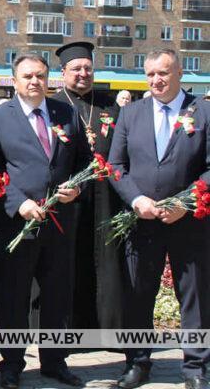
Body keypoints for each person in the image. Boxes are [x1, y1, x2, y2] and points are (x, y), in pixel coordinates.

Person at [0, 52, 89, 389]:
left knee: (57, 295)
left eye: (40, 75)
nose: (34, 81)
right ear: (14, 81)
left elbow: (83, 161)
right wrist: (18, 202)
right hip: (18, 223)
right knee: (14, 297)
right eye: (27, 76)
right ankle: (11, 364)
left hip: (59, 222)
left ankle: (54, 362)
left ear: (48, 78)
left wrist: (77, 188)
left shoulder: (65, 113)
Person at [108, 49, 210, 389]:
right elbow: (116, 167)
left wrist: (187, 202)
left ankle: (196, 368)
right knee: (138, 294)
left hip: (189, 222)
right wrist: (136, 200)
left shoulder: (204, 111)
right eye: (150, 74)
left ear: (180, 73)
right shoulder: (131, 114)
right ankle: (137, 363)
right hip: (142, 223)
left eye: (163, 73)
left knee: (194, 295)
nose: (156, 80)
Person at [51, 42, 123, 332]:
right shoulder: (53, 105)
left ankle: (105, 328)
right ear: (63, 71)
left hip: (107, 197)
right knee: (69, 261)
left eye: (88, 68)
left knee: (106, 261)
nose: (83, 74)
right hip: (69, 197)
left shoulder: (110, 104)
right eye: (76, 68)